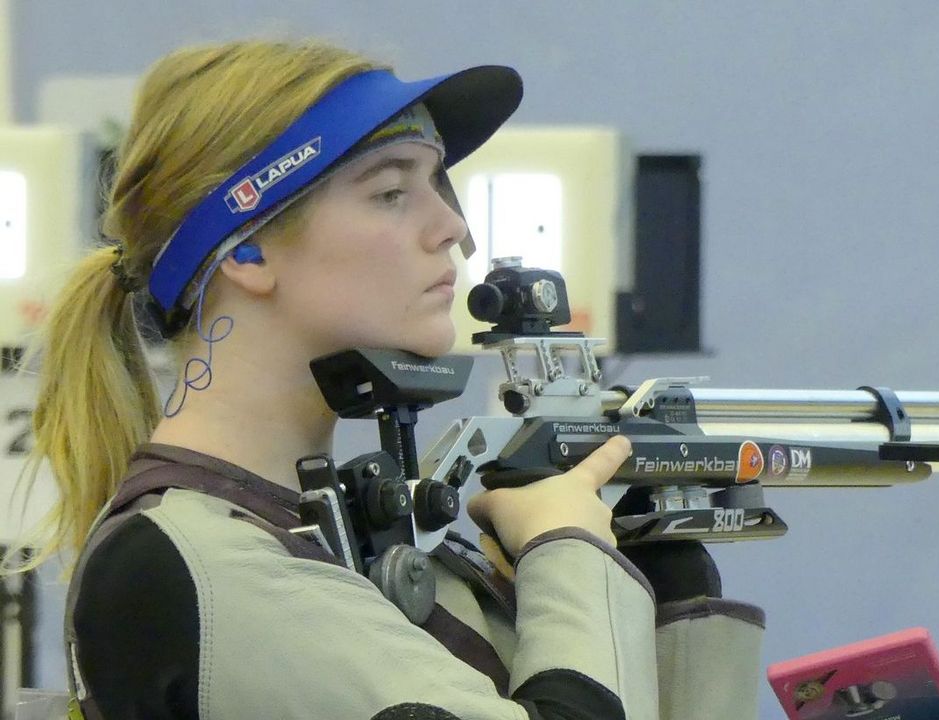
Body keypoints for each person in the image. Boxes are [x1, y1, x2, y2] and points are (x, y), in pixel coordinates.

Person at [11, 40, 765, 719]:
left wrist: (666, 585)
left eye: (440, 185)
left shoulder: (337, 539)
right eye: (390, 192)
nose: (453, 229)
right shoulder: (198, 562)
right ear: (245, 252)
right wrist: (571, 552)